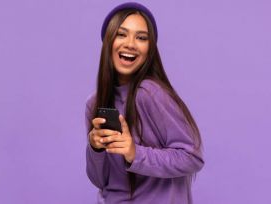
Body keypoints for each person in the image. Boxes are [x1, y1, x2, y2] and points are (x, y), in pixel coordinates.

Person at [85, 2, 204, 204]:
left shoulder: (150, 93)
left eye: (141, 37)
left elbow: (192, 157)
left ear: (150, 49)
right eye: (121, 34)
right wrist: (95, 148)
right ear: (108, 41)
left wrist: (134, 153)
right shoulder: (94, 103)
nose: (130, 43)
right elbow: (100, 181)